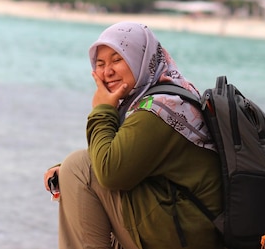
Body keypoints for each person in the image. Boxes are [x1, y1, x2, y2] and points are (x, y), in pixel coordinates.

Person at [43, 22, 222, 249]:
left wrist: (102, 110)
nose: (107, 72)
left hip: (187, 235)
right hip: (187, 225)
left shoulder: (160, 109)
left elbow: (111, 174)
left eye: (117, 60)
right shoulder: (165, 97)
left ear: (141, 58)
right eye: (100, 64)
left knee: (79, 167)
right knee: (77, 168)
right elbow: (129, 156)